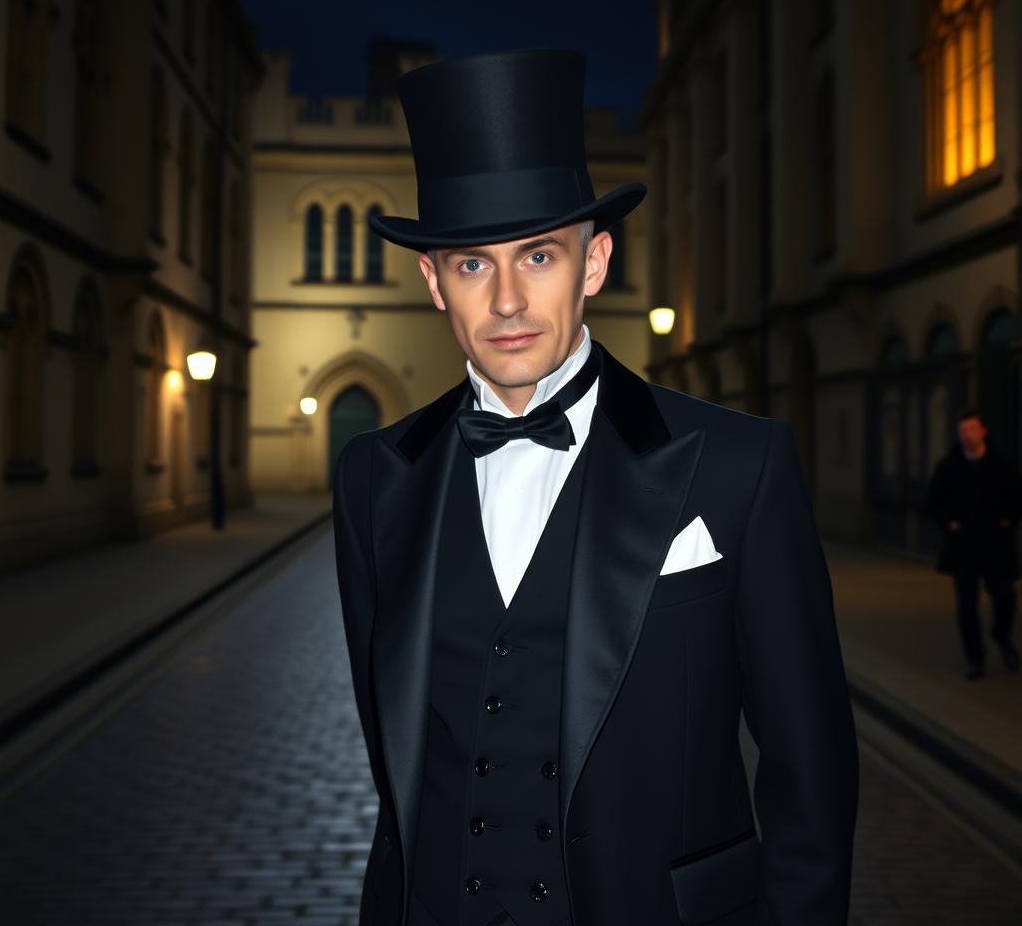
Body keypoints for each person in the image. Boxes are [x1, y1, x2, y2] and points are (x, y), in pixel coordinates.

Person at [331, 49, 859, 926]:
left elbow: (813, 773)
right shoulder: (374, 479)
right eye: (470, 264)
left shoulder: (737, 465)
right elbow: (399, 766)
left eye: (537, 255)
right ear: (432, 283)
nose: (505, 300)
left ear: (595, 261)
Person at [925, 406, 1022, 679]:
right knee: (966, 604)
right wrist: (949, 524)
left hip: (996, 544)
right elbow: (933, 503)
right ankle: (974, 657)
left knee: (1004, 595)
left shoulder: (1002, 465)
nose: (967, 434)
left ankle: (1001, 636)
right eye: (963, 430)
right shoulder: (948, 466)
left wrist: (1008, 521)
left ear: (983, 431)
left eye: (972, 429)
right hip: (963, 545)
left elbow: (1017, 498)